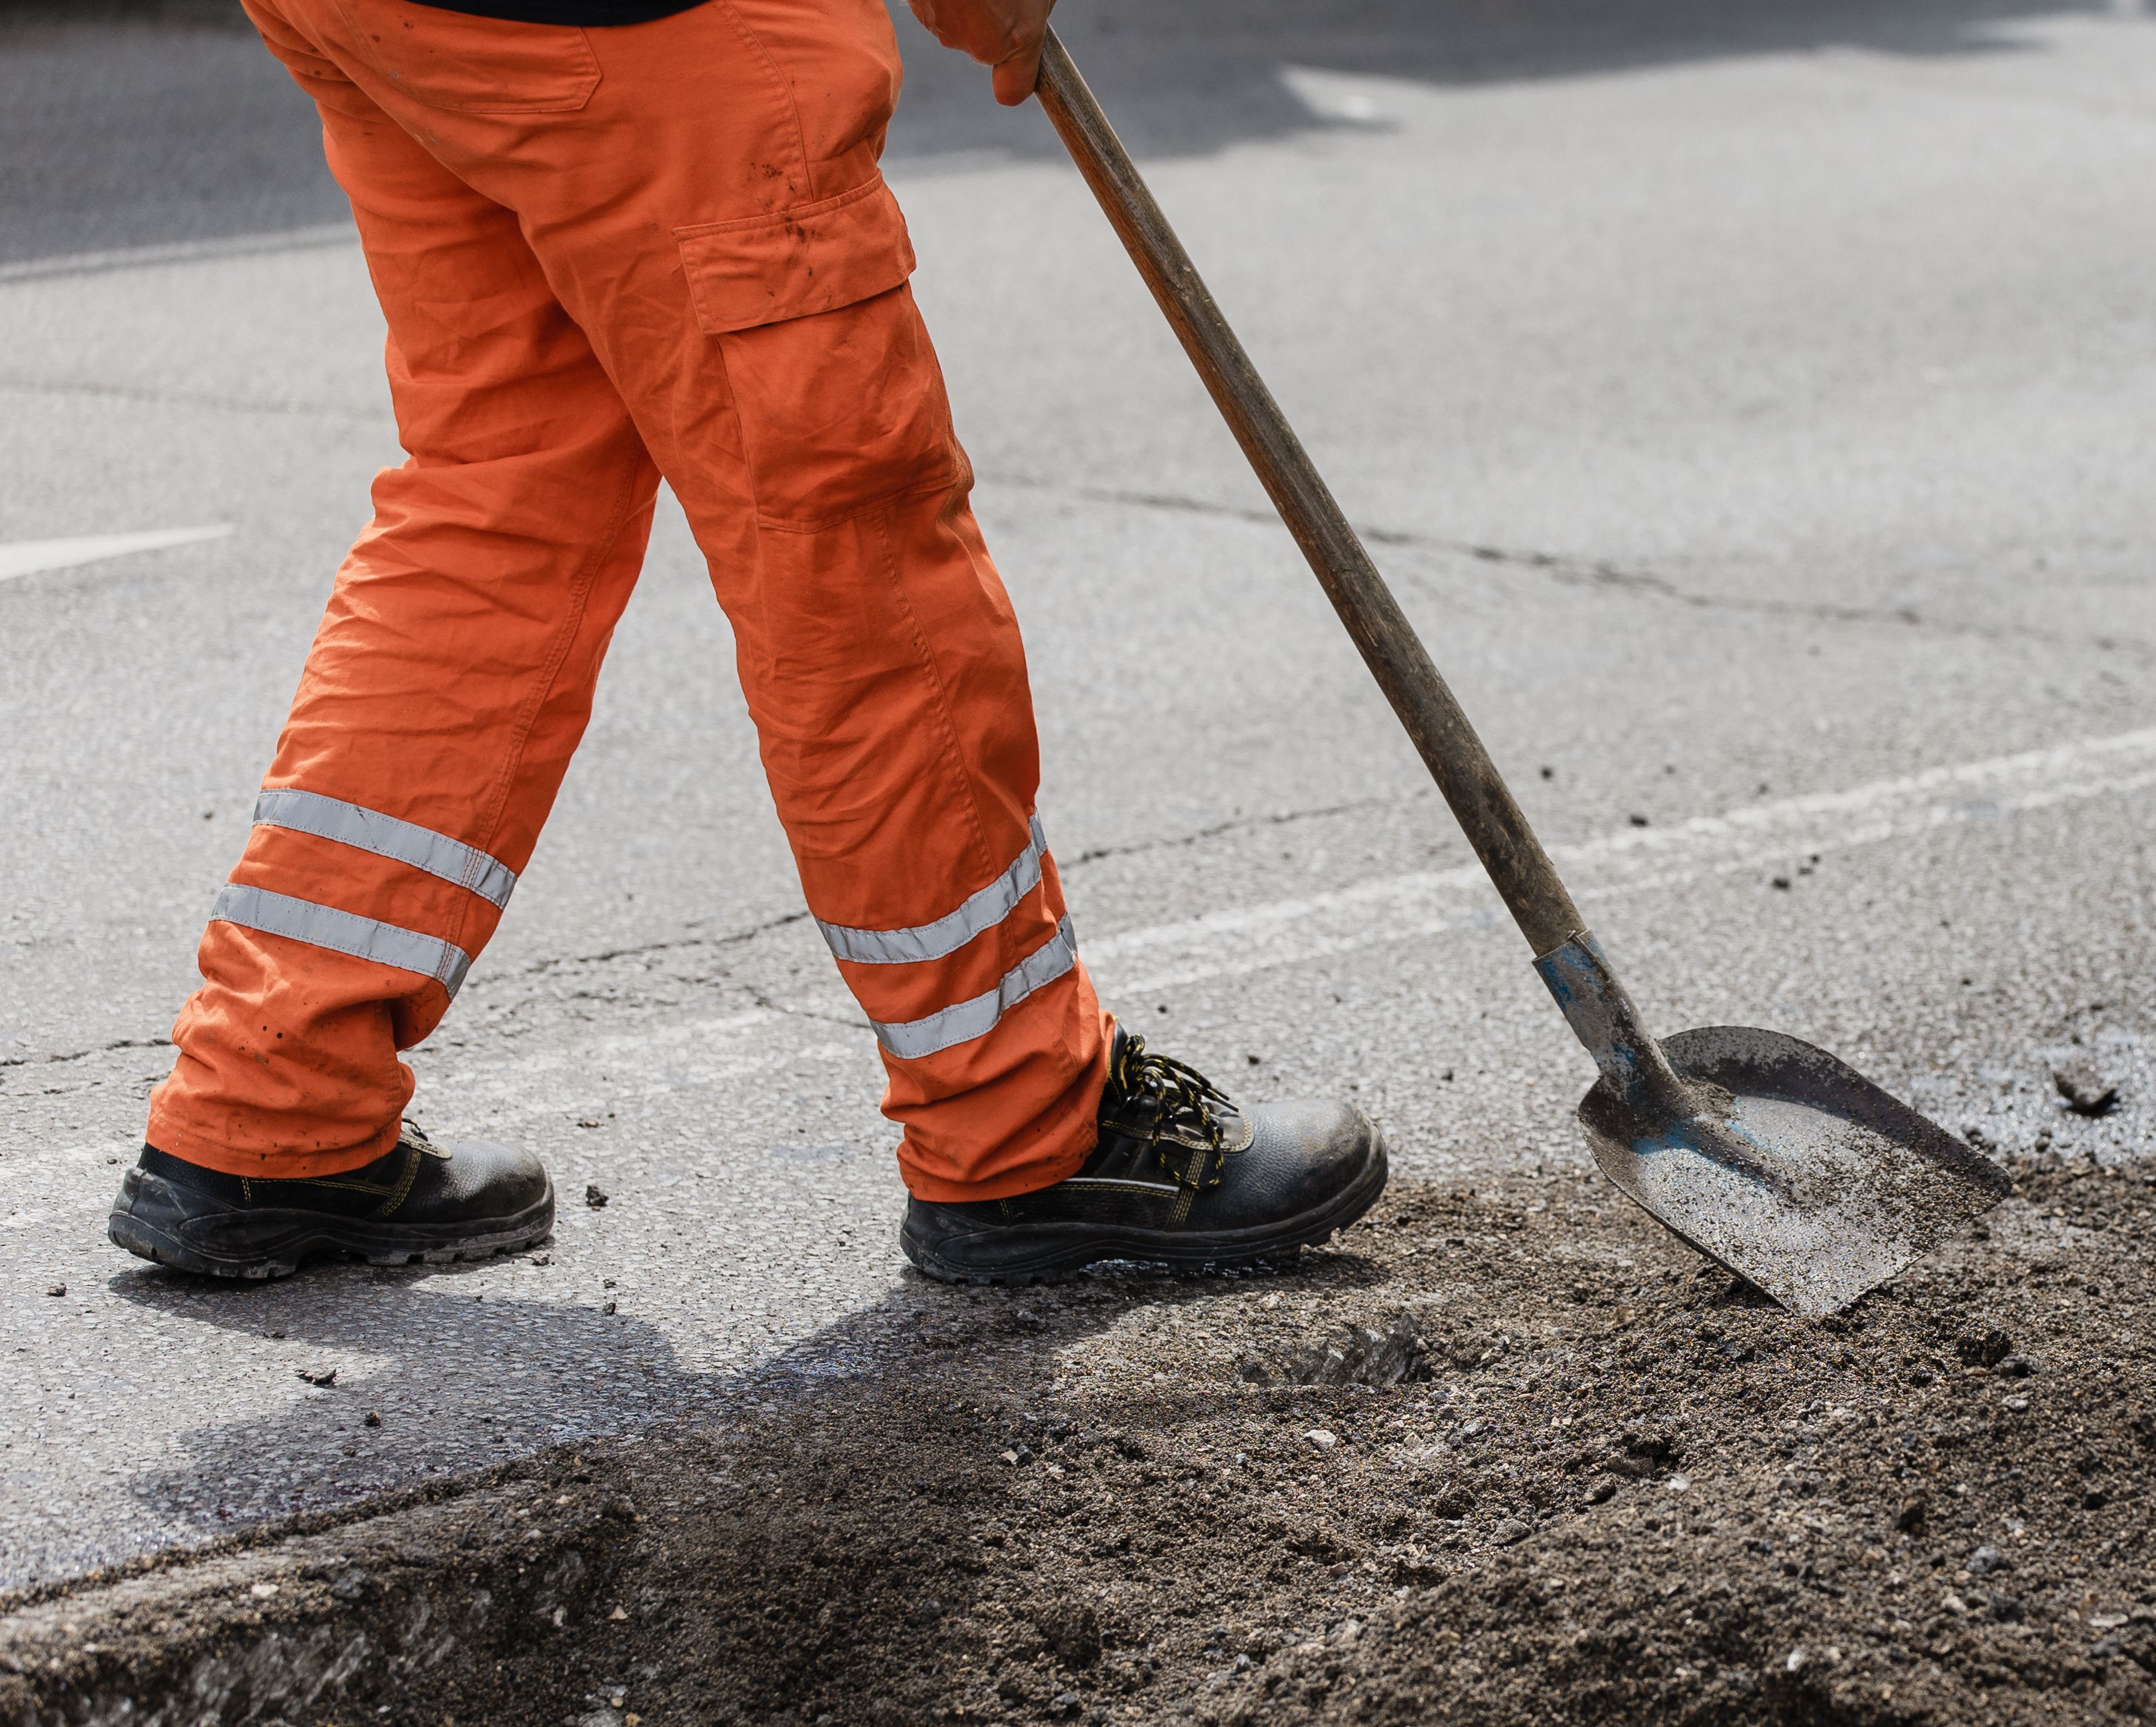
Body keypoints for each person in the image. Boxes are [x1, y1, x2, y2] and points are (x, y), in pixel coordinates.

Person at [106, 0, 1380, 1285]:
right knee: (847, 548)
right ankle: (1023, 1125)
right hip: (647, 34)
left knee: (501, 494)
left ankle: (275, 1097)